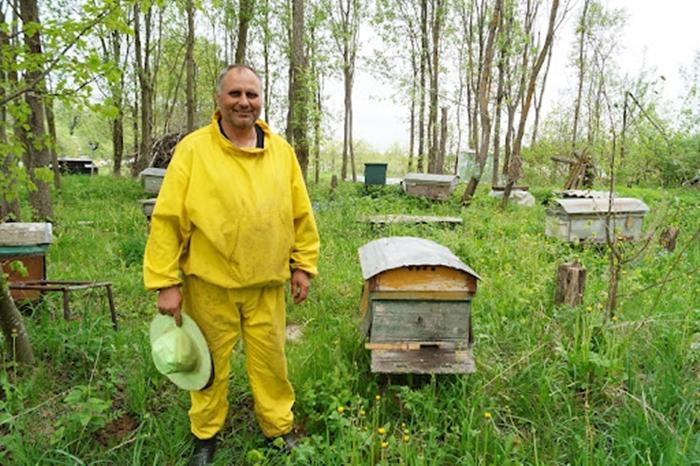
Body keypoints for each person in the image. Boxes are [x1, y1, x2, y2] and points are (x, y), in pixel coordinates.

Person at [143, 64, 320, 466]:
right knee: (208, 365)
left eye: (252, 94)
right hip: (210, 284)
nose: (244, 102)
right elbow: (168, 219)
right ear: (219, 100)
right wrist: (165, 282)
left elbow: (300, 215)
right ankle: (205, 435)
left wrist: (302, 265)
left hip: (266, 285)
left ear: (261, 100)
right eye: (235, 94)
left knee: (271, 363)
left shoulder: (282, 153)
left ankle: (277, 429)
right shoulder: (193, 150)